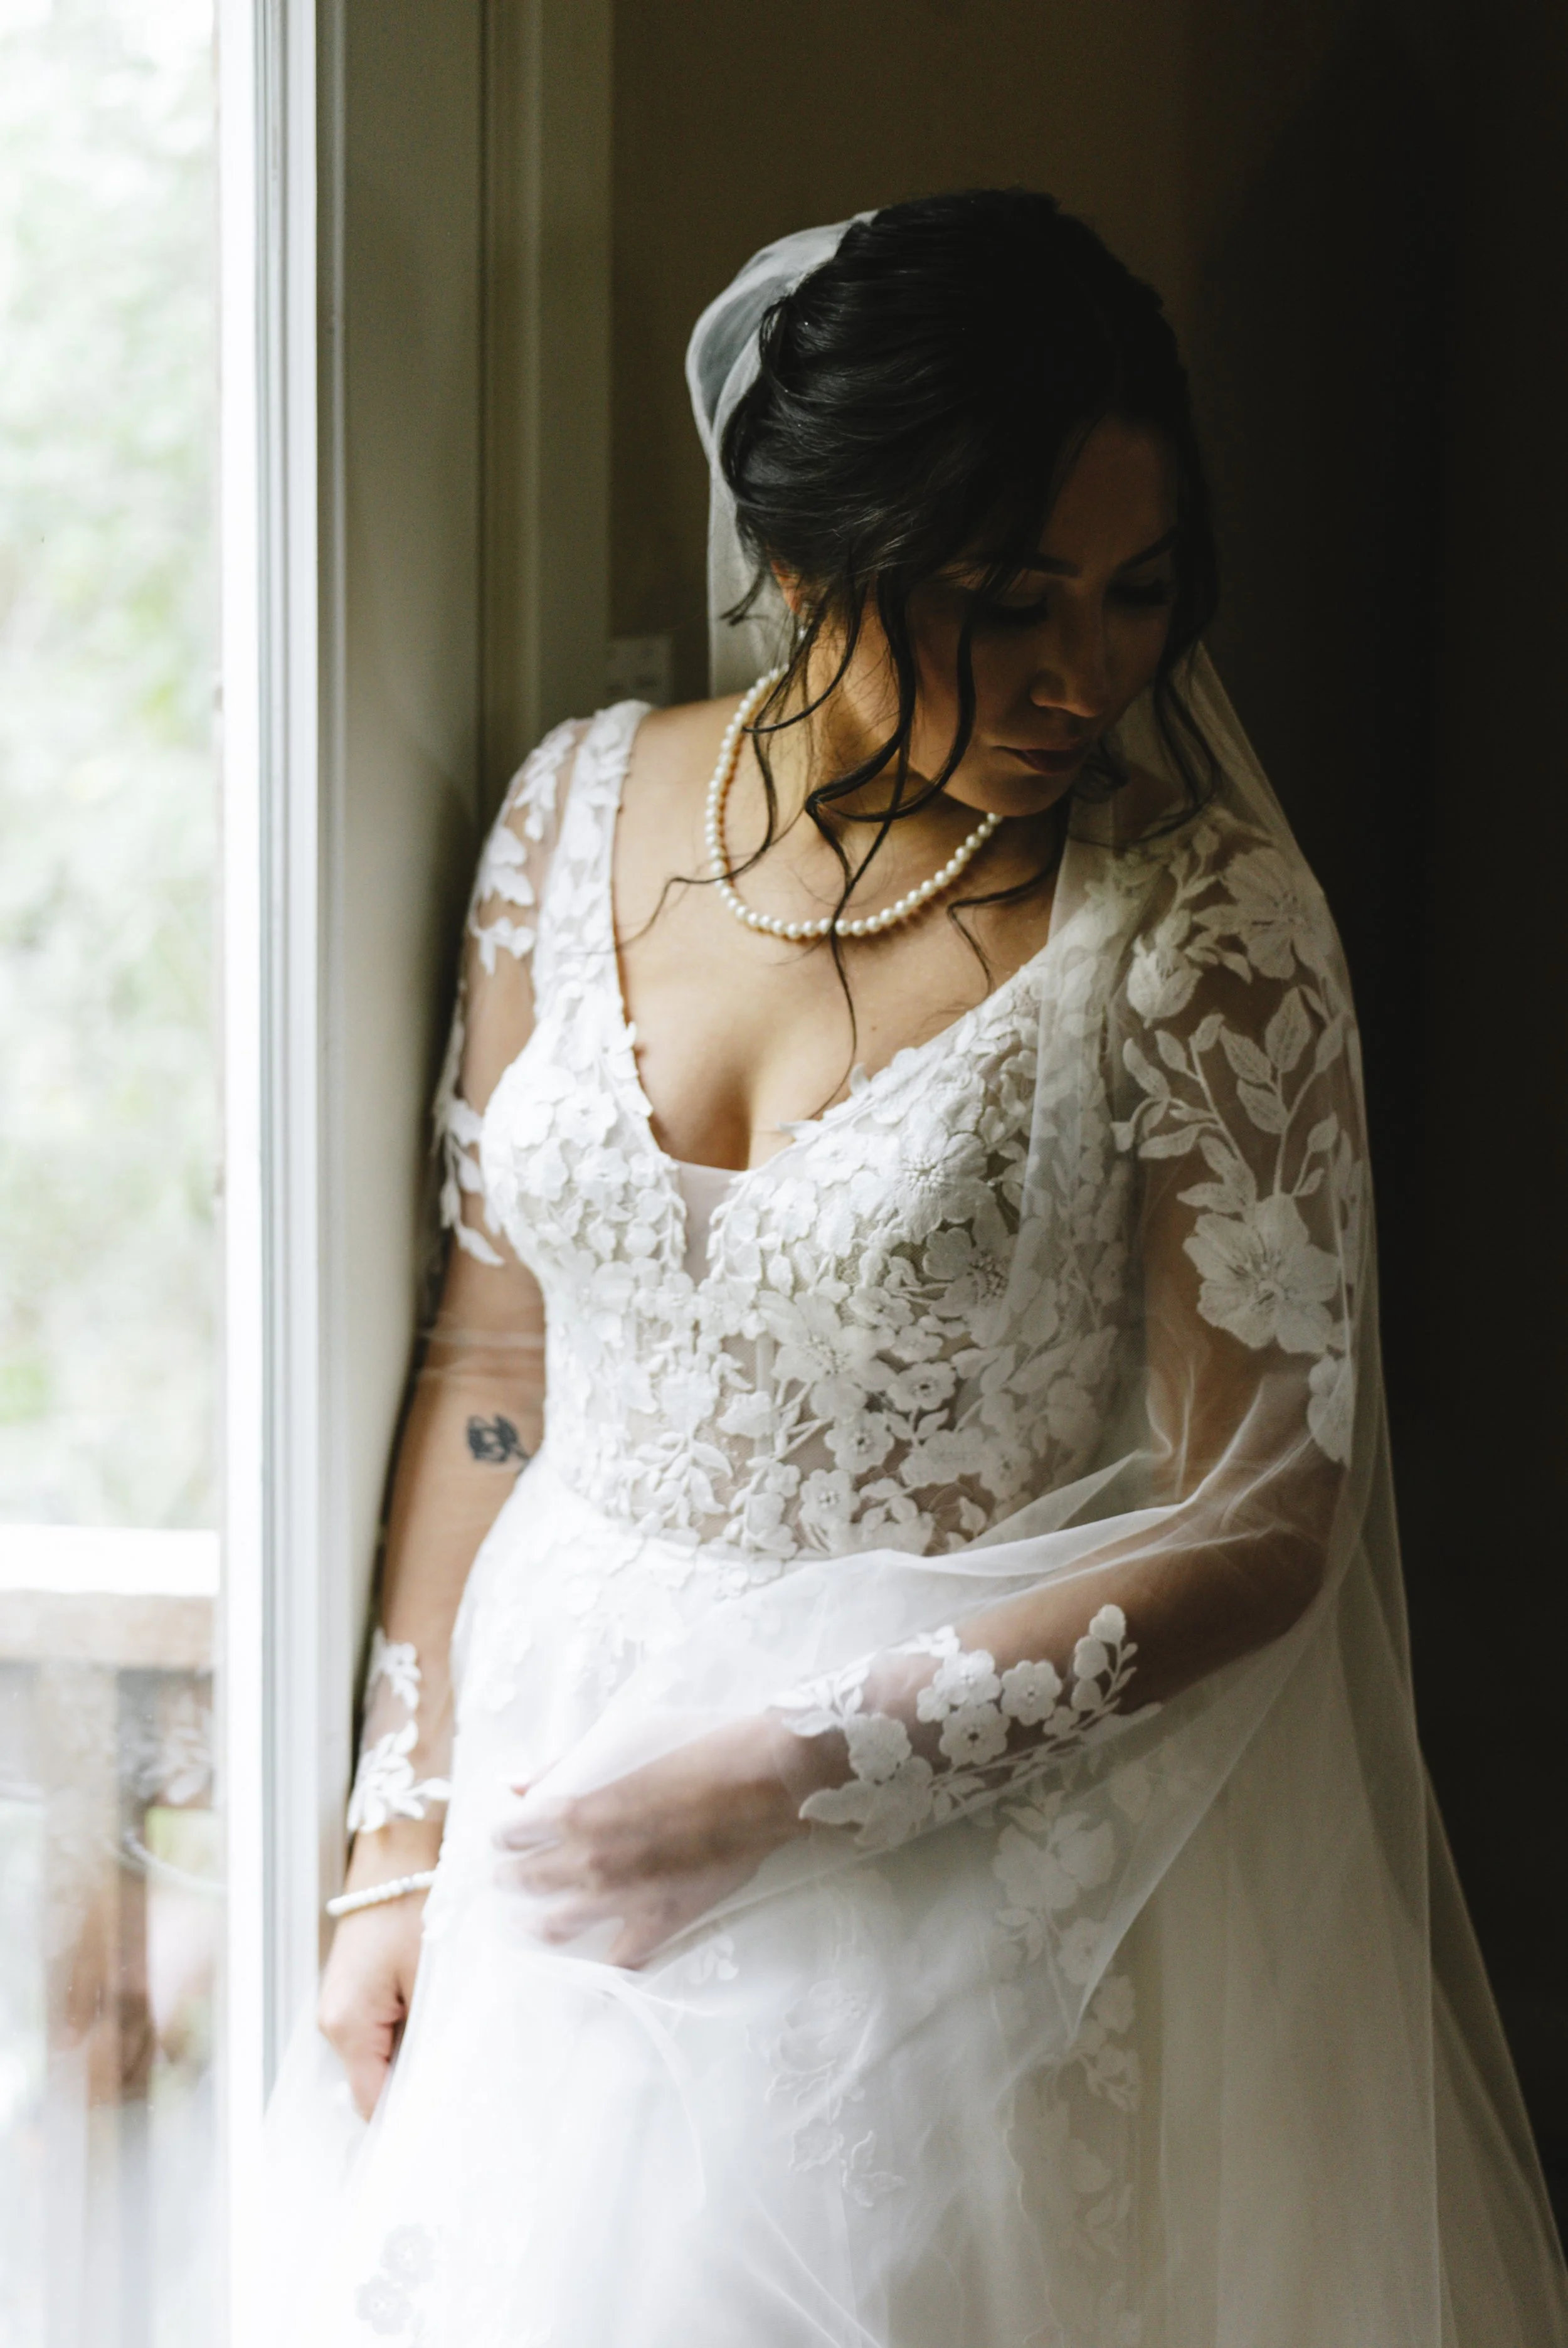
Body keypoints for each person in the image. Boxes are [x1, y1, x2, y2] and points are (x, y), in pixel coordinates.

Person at [263, 191, 1568, 2346]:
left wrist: (787, 1774)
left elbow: (1268, 1515)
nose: (1084, 674)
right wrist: (393, 1846)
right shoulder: (564, 817)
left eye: (1136, 593)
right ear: (800, 564)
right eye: (1002, 599)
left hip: (957, 1883)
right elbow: (499, 1355)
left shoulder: (1198, 929)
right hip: (551, 1809)